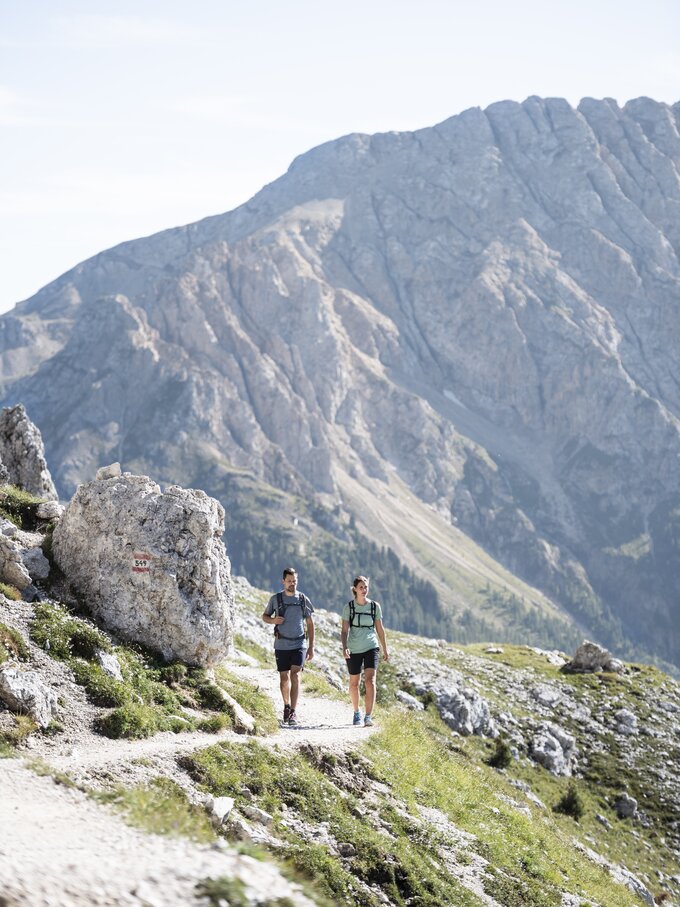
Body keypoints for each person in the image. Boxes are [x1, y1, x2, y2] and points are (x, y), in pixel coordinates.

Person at [262, 566, 315, 726]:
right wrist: (273, 620)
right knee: (284, 678)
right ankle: (286, 706)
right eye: (289, 581)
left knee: (295, 675)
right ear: (283, 581)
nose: (292, 583)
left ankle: (293, 711)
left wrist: (311, 646)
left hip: (299, 643)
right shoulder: (276, 599)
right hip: (281, 644)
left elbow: (310, 624)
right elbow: (264, 616)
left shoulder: (303, 599)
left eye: (295, 581)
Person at [341, 575, 389, 727]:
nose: (364, 590)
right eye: (361, 587)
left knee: (370, 681)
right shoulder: (349, 607)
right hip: (354, 648)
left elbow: (380, 630)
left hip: (371, 646)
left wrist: (385, 649)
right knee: (354, 683)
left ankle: (368, 716)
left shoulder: (375, 606)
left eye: (366, 587)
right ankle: (356, 713)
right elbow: (344, 631)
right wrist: (344, 647)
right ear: (354, 589)